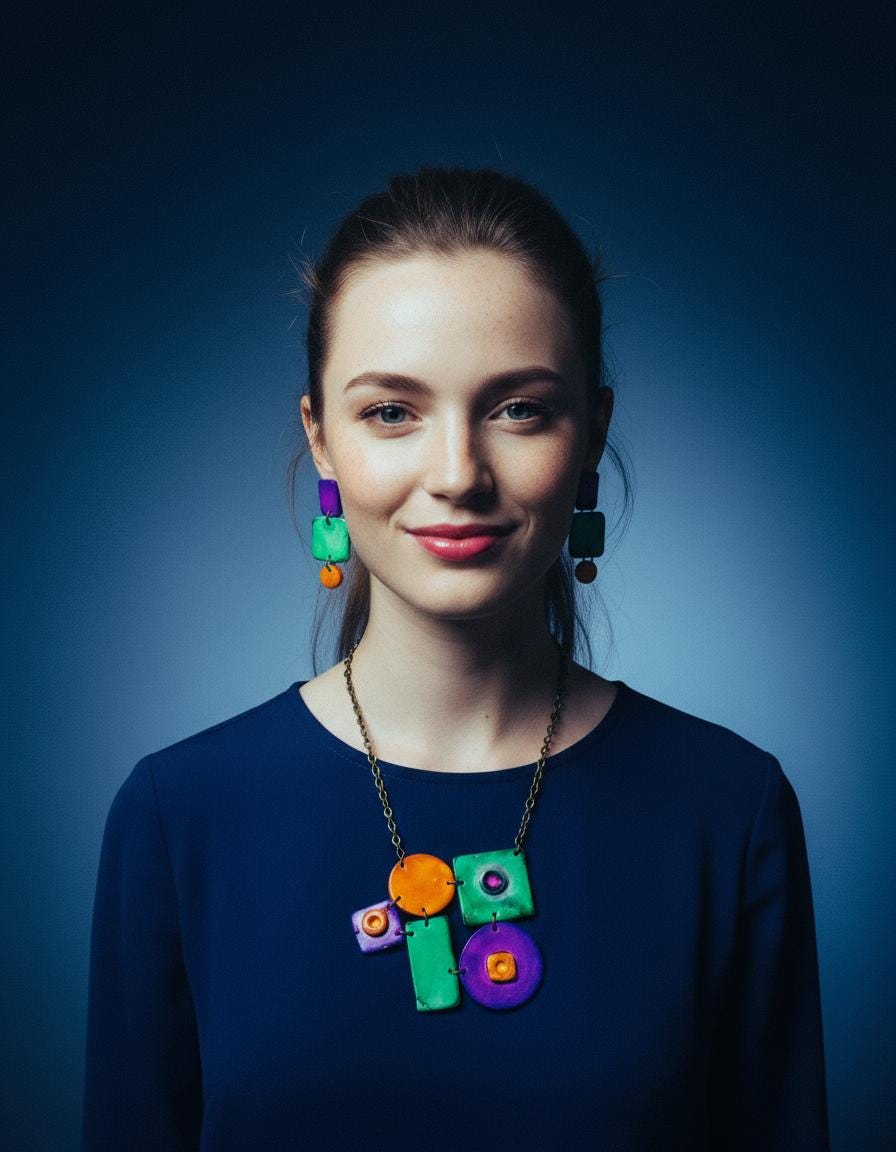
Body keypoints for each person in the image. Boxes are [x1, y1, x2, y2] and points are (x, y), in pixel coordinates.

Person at [80, 166, 831, 1149]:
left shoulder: (727, 812)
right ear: (321, 440)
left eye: (516, 408)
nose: (455, 476)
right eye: (390, 411)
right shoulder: (177, 819)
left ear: (591, 432)